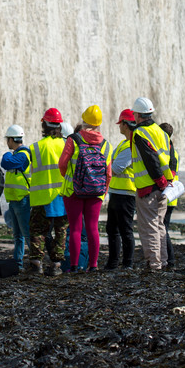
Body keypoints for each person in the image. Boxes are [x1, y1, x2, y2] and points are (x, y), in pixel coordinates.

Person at [58, 105, 111, 272]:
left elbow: (62, 164)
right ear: (99, 124)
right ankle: (93, 265)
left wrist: (72, 178)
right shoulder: (106, 145)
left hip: (73, 191)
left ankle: (74, 265)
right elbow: (108, 173)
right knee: (93, 228)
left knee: (75, 228)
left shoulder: (73, 140)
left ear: (83, 121)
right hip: (96, 191)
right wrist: (103, 190)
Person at [128, 97, 176, 272]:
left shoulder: (140, 133)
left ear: (138, 115)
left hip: (149, 186)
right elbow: (170, 156)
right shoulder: (161, 132)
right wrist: (168, 181)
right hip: (164, 187)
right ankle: (162, 261)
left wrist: (160, 181)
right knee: (160, 225)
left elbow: (151, 159)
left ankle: (154, 264)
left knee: (149, 227)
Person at [26, 108, 68, 276]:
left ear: (44, 124)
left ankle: (36, 264)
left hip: (42, 197)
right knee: (61, 231)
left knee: (37, 230)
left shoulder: (36, 147)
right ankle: (56, 265)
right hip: (63, 196)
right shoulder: (67, 145)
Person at [104, 110, 138, 270]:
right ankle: (113, 262)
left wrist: (107, 164)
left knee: (124, 229)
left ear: (125, 125)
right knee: (113, 229)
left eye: (120, 124)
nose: (119, 127)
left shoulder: (131, 144)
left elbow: (116, 168)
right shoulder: (124, 144)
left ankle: (127, 263)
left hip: (125, 193)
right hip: (117, 192)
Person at [0, 125, 31, 263]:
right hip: (14, 200)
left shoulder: (23, 155)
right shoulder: (18, 155)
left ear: (12, 139)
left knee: (27, 233)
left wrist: (7, 154)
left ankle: (36, 260)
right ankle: (18, 262)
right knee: (18, 235)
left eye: (8, 139)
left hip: (22, 200)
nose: (7, 142)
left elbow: (5, 162)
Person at [159, 122, 180, 270]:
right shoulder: (173, 151)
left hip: (168, 194)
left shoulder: (166, 151)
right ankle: (166, 259)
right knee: (163, 228)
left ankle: (169, 260)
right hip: (172, 195)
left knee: (163, 228)